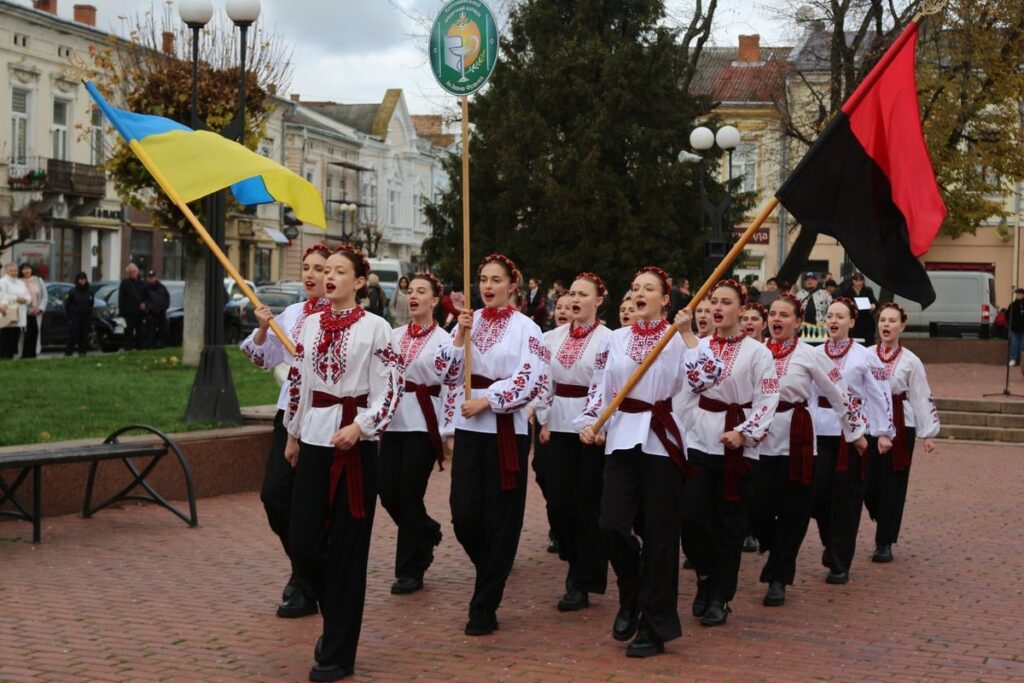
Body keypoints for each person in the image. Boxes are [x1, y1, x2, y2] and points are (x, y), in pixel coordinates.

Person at [576, 265, 721, 658]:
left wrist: (689, 333)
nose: (639, 293)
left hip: (662, 443)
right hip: (622, 438)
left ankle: (653, 626)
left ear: (664, 299)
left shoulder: (679, 339)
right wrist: (591, 423)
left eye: (648, 289)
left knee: (660, 538)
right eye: (635, 286)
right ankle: (630, 595)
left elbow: (709, 375)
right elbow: (599, 389)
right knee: (611, 525)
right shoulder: (616, 340)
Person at [284, 243, 404, 682]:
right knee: (303, 542)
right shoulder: (311, 324)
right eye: (326, 270)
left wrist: (364, 426)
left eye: (339, 271)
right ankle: (335, 614)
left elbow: (391, 388)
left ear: (359, 282)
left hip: (354, 445)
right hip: (314, 437)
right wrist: (293, 433)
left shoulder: (377, 328)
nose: (329, 276)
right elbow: (299, 381)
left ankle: (337, 652)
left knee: (349, 553)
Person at [434, 253, 548, 636]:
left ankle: (484, 604)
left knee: (501, 517)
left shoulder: (526, 328)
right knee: (464, 514)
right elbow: (447, 373)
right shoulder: (468, 321)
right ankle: (492, 568)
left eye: (496, 279)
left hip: (504, 429)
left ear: (511, 285)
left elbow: (532, 377)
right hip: (468, 428)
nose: (487, 286)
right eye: (483, 279)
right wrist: (460, 334)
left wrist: (490, 400)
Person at [750, 293, 867, 607]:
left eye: (785, 315)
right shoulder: (757, 352)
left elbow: (838, 390)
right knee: (757, 508)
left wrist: (855, 431)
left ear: (798, 322)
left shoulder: (810, 355)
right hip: (759, 437)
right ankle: (776, 549)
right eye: (773, 313)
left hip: (797, 439)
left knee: (793, 510)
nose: (777, 319)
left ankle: (778, 578)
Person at [679, 279, 779, 628]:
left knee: (729, 524)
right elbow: (685, 393)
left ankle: (721, 596)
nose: (718, 308)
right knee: (690, 517)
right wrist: (685, 427)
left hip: (739, 446)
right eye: (713, 301)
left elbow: (768, 399)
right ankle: (705, 575)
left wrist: (744, 432)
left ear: (742, 308)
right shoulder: (697, 345)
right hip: (699, 439)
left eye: (726, 302)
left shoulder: (759, 353)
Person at [240, 244, 331, 620]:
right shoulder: (292, 312)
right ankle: (305, 566)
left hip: (325, 419)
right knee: (274, 495)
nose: (310, 275)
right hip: (288, 413)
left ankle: (304, 582)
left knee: (312, 504)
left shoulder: (345, 317)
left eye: (320, 269)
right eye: (306, 268)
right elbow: (262, 358)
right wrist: (263, 330)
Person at [535, 272, 612, 612]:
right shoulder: (551, 338)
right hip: (559, 426)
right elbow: (541, 382)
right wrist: (545, 417)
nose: (576, 299)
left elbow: (607, 386)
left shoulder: (610, 339)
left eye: (584, 294)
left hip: (592, 431)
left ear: (599, 300)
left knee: (587, 504)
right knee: (558, 502)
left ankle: (581, 579)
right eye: (572, 293)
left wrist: (598, 424)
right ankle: (574, 558)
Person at [811, 297, 894, 586]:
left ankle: (839, 561)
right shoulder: (814, 353)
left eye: (840, 316)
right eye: (830, 315)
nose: (833, 321)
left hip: (853, 434)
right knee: (818, 493)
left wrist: (883, 431)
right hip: (820, 431)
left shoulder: (865, 356)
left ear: (852, 322)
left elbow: (879, 393)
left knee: (847, 499)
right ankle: (829, 542)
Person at [378, 272, 450, 595]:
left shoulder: (446, 340)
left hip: (423, 422)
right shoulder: (391, 336)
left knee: (409, 490)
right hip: (393, 421)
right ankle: (426, 529)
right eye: (411, 291)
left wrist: (448, 431)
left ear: (435, 300)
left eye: (422, 291)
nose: (414, 296)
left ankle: (410, 569)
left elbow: (451, 386)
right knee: (386, 489)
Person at [864, 303, 939, 563]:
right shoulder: (866, 355)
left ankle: (884, 541)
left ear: (902, 326)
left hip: (901, 424)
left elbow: (920, 396)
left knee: (893, 484)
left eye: (892, 321)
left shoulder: (910, 361)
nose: (886, 325)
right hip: (871, 423)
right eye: (882, 320)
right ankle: (878, 513)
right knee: (869, 481)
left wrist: (928, 432)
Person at [0, 263, 30, 359]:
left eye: (15, 270)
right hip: (7, 315)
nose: (14, 272)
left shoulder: (20, 283)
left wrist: (25, 300)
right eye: (11, 270)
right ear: (6, 271)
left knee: (15, 338)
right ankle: (4, 358)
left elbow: (28, 296)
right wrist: (16, 298)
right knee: (6, 338)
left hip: (19, 315)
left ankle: (11, 357)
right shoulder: (2, 282)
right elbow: (3, 296)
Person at [19, 263, 47, 359]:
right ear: (21, 271)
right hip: (23, 312)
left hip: (37, 312)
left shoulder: (39, 281)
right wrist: (28, 310)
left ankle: (33, 354)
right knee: (24, 334)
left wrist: (40, 309)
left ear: (31, 270)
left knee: (35, 332)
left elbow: (44, 296)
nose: (26, 271)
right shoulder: (18, 282)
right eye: (24, 269)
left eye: (28, 269)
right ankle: (23, 354)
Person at [842, 272, 877, 346]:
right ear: (852, 281)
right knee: (854, 343)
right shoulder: (847, 292)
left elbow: (875, 302)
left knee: (868, 343)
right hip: (855, 321)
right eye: (856, 280)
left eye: (861, 280)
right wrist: (852, 307)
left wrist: (873, 306)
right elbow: (843, 304)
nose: (859, 283)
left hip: (867, 321)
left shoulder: (868, 290)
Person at [65, 272, 94, 356]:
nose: (82, 281)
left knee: (84, 336)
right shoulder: (72, 292)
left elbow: (91, 304)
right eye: (80, 280)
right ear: (77, 280)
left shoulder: (90, 292)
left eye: (83, 279)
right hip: (75, 317)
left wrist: (89, 316)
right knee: (73, 335)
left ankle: (82, 353)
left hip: (85, 317)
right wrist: (70, 317)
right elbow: (67, 305)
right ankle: (68, 353)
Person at [119, 263, 146, 350]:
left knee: (140, 332)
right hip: (128, 313)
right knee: (128, 332)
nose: (132, 273)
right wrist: (121, 313)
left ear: (137, 271)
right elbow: (121, 298)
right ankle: (128, 349)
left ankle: (140, 349)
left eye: (134, 271)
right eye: (130, 272)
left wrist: (144, 304)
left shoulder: (142, 283)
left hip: (140, 312)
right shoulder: (125, 283)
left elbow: (147, 296)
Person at [142, 271, 170, 348]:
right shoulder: (145, 288)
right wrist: (148, 308)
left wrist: (164, 307)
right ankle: (150, 346)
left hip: (161, 313)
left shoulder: (162, 287)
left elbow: (167, 298)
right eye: (150, 277)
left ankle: (164, 345)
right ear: (148, 278)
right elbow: (143, 300)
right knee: (150, 331)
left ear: (155, 277)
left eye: (153, 277)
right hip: (151, 314)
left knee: (164, 329)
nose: (152, 279)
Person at [1008, 288, 1024, 366]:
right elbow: (1007, 315)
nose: (1019, 295)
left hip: (1023, 329)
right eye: (1017, 294)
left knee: (1022, 345)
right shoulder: (1013, 305)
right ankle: (1013, 359)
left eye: (1020, 294)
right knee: (1014, 344)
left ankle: (1022, 361)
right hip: (1014, 329)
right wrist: (1010, 323)